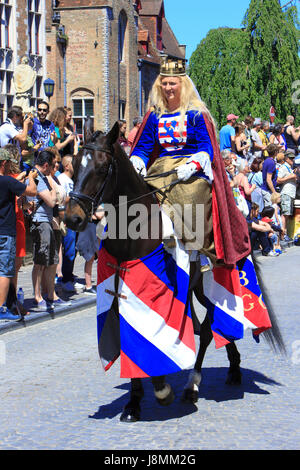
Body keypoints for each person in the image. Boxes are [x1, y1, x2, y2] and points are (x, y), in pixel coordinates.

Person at [130, 55, 251, 268]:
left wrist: (193, 166)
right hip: (162, 167)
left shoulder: (196, 113)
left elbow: (206, 146)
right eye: (164, 83)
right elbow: (144, 145)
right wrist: (137, 160)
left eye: (172, 83)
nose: (168, 88)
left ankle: (200, 249)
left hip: (191, 167)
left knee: (193, 194)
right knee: (139, 196)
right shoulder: (154, 115)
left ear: (182, 84)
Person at [0, 148, 37, 321]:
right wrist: (30, 178)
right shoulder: (7, 181)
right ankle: (1, 309)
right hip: (6, 232)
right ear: (4, 163)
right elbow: (32, 191)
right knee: (5, 271)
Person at [29, 150, 59, 310]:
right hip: (40, 222)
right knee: (40, 261)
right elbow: (51, 201)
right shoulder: (38, 178)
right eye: (52, 165)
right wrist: (52, 186)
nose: (53, 168)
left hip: (47, 222)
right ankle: (37, 296)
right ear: (46, 165)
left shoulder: (41, 178)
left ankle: (50, 294)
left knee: (52, 259)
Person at [57, 155, 81, 293]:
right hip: (67, 220)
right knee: (69, 251)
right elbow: (60, 199)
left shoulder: (71, 180)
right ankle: (66, 280)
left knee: (73, 250)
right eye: (74, 163)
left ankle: (69, 277)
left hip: (74, 219)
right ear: (67, 166)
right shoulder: (62, 180)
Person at [277, 151, 297, 240]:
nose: (292, 160)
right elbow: (278, 180)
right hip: (286, 193)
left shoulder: (289, 167)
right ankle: (283, 234)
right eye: (290, 158)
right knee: (285, 214)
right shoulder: (283, 168)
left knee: (287, 214)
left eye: (293, 158)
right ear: (286, 159)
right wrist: (290, 177)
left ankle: (285, 233)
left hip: (291, 193)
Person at [76, 222, 98, 295]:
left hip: (96, 227)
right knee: (90, 257)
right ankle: (88, 286)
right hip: (89, 227)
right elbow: (99, 215)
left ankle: (96, 285)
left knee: (96, 257)